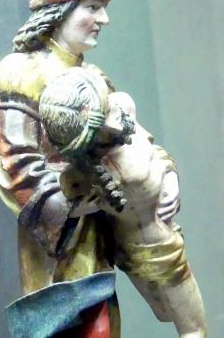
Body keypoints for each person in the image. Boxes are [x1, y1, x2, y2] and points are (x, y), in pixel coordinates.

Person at [0, 0, 180, 336]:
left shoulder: (93, 77)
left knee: (104, 321)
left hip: (101, 231)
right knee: (67, 324)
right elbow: (15, 164)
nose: (103, 19)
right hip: (59, 241)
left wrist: (165, 173)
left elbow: (132, 137)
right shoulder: (20, 72)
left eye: (103, 8)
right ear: (58, 12)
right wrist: (76, 199)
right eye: (92, 8)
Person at [39, 68, 206, 337]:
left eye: (106, 109)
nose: (116, 125)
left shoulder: (122, 107)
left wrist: (170, 175)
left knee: (193, 328)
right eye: (99, 129)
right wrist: (87, 204)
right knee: (168, 315)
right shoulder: (84, 173)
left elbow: (154, 151)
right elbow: (69, 204)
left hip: (165, 239)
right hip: (137, 245)